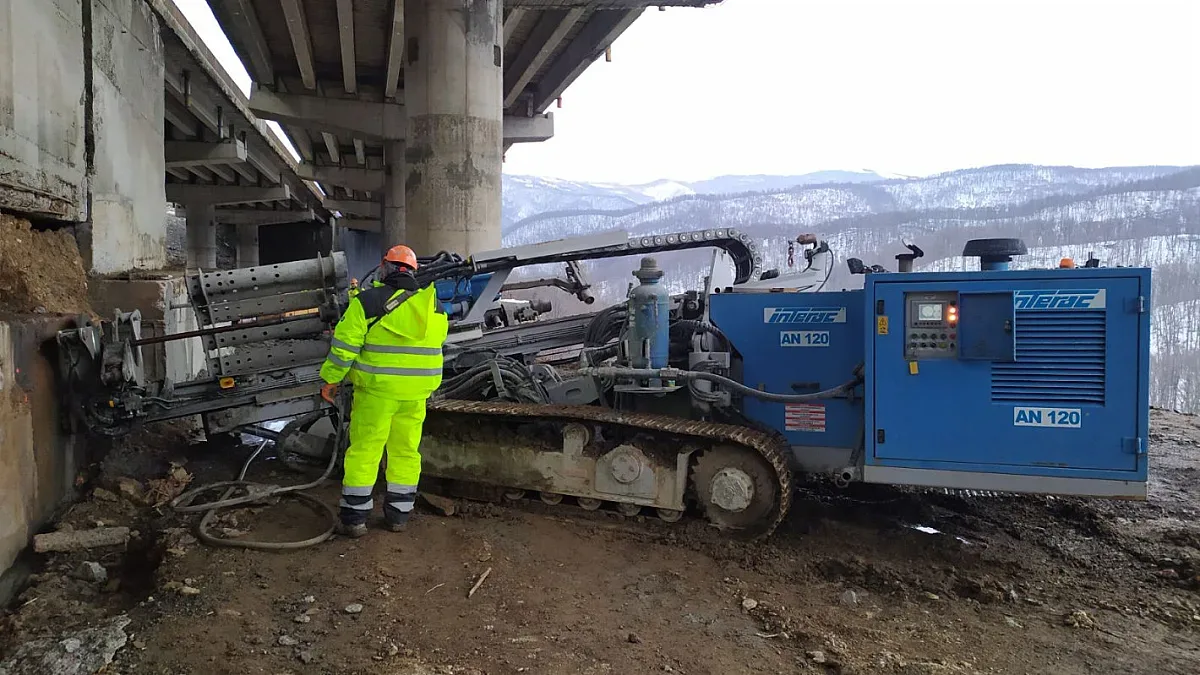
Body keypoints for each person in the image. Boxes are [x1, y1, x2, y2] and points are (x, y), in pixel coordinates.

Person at [318, 245, 449, 537]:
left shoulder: (367, 302)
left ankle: (354, 520)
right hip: (416, 396)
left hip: (377, 393)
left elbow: (344, 348)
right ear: (414, 272)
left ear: (384, 267)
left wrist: (331, 379)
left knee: (366, 451)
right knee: (405, 453)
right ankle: (399, 517)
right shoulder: (435, 308)